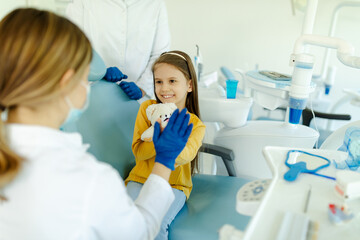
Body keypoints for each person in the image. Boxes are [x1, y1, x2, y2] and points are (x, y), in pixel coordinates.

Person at [0, 8, 193, 240]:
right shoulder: (88, 180)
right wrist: (164, 161)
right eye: (86, 77)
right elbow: (140, 233)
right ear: (66, 82)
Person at [125, 50, 206, 239]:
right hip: (139, 178)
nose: (164, 88)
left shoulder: (195, 125)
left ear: (189, 85)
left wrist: (168, 142)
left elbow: (186, 155)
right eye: (158, 81)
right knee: (127, 222)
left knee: (157, 226)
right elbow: (139, 152)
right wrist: (159, 140)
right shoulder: (147, 109)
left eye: (172, 81)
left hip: (175, 185)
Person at [66, 0, 171, 102]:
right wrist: (97, 72)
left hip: (138, 99)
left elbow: (160, 54)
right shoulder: (81, 2)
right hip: (92, 94)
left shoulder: (155, 3)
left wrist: (142, 87)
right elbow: (71, 47)